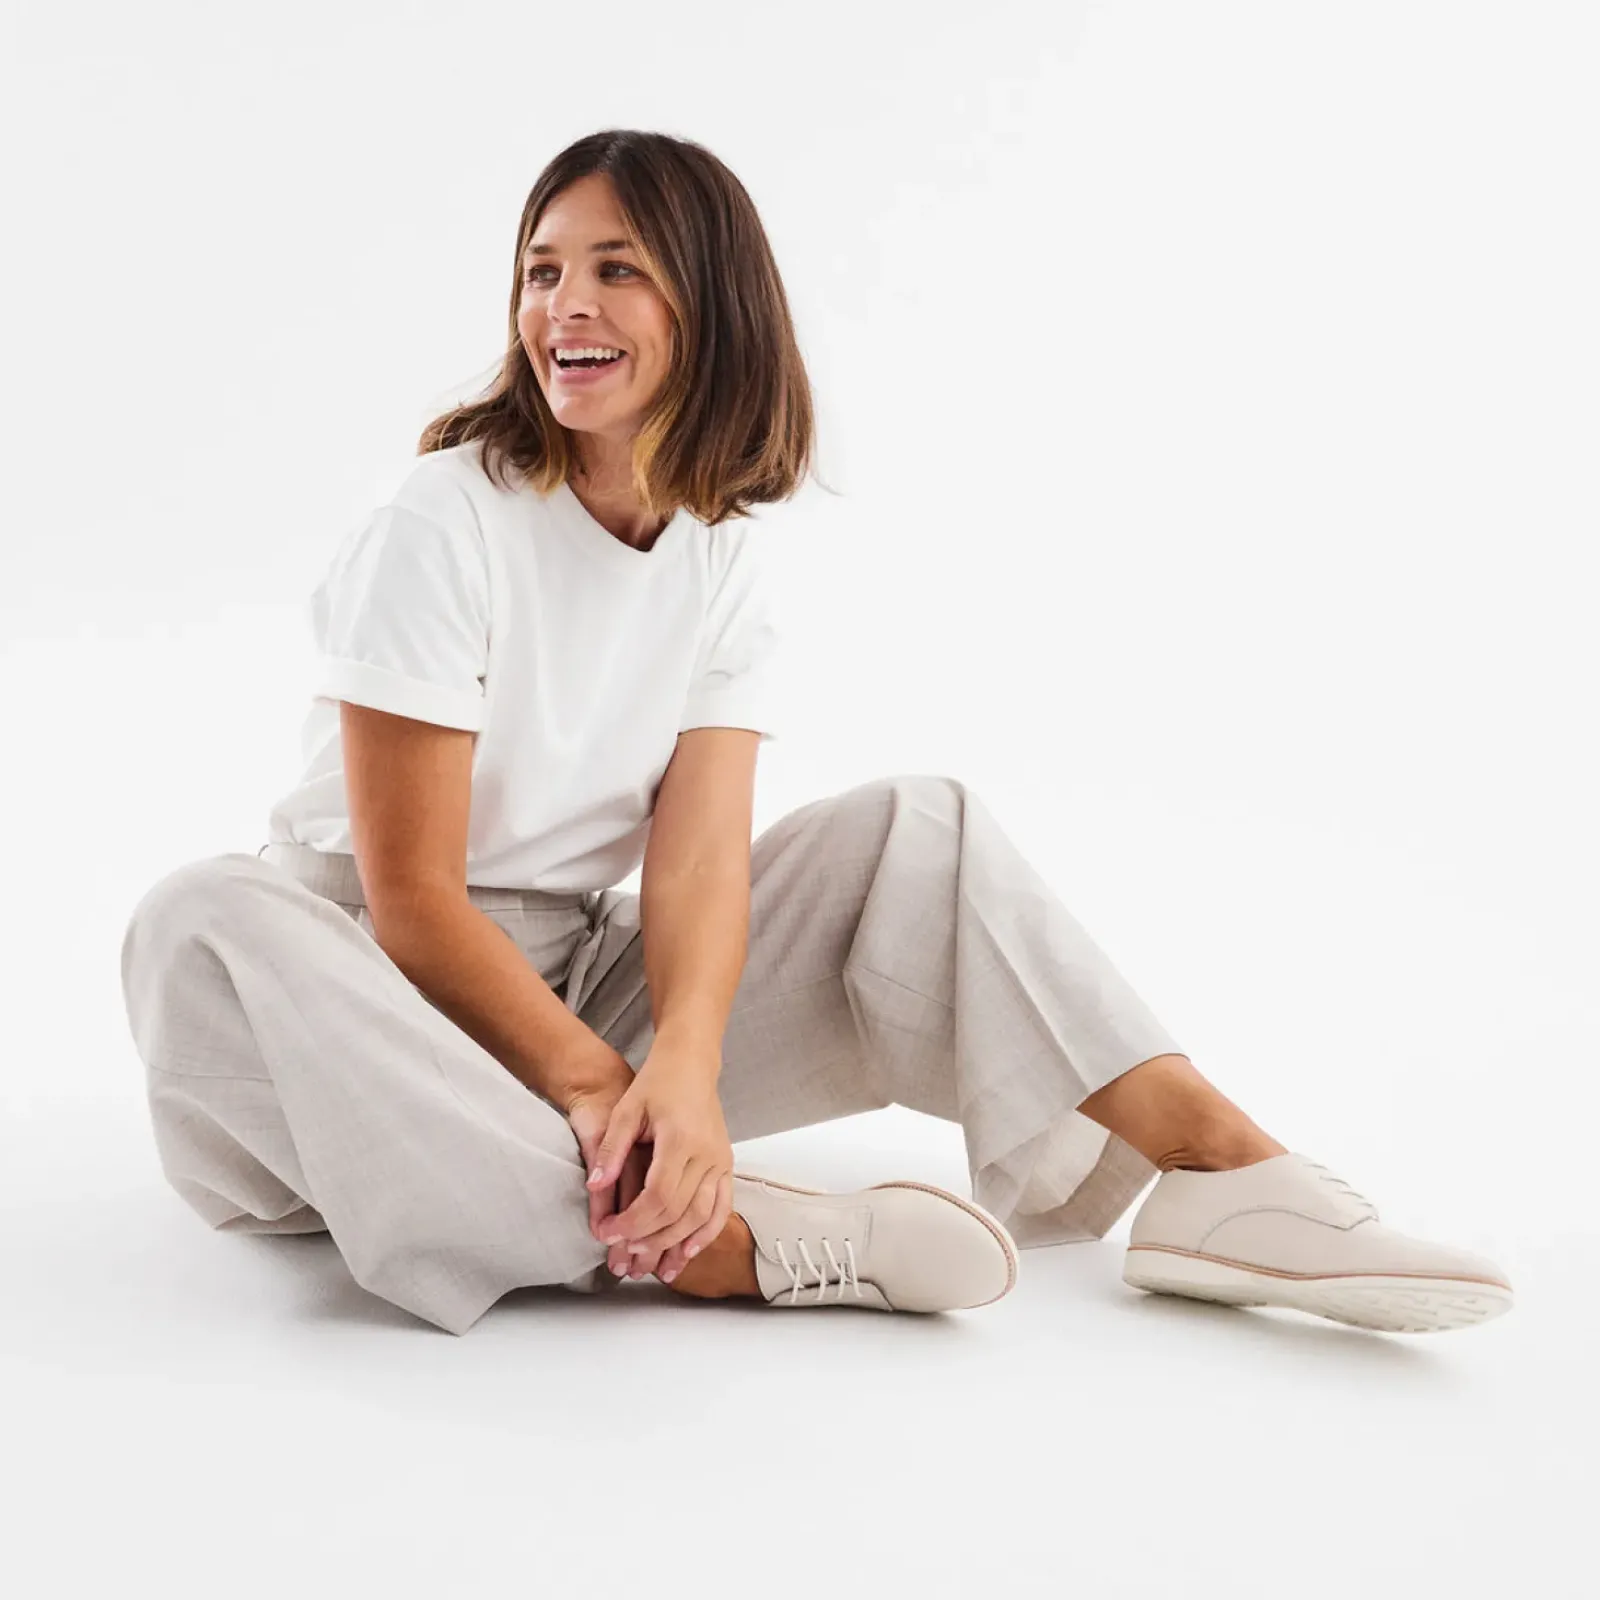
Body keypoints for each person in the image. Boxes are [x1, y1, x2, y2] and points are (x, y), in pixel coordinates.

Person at [119, 128, 1513, 1337]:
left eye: (615, 269)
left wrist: (681, 1071)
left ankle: (1220, 1176)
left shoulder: (719, 555)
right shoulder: (444, 519)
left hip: (571, 980)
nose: (564, 305)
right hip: (357, 1009)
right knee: (196, 920)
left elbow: (698, 865)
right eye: (541, 271)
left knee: (919, 829)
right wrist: (601, 1087)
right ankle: (727, 1242)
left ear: (711, 307)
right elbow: (414, 902)